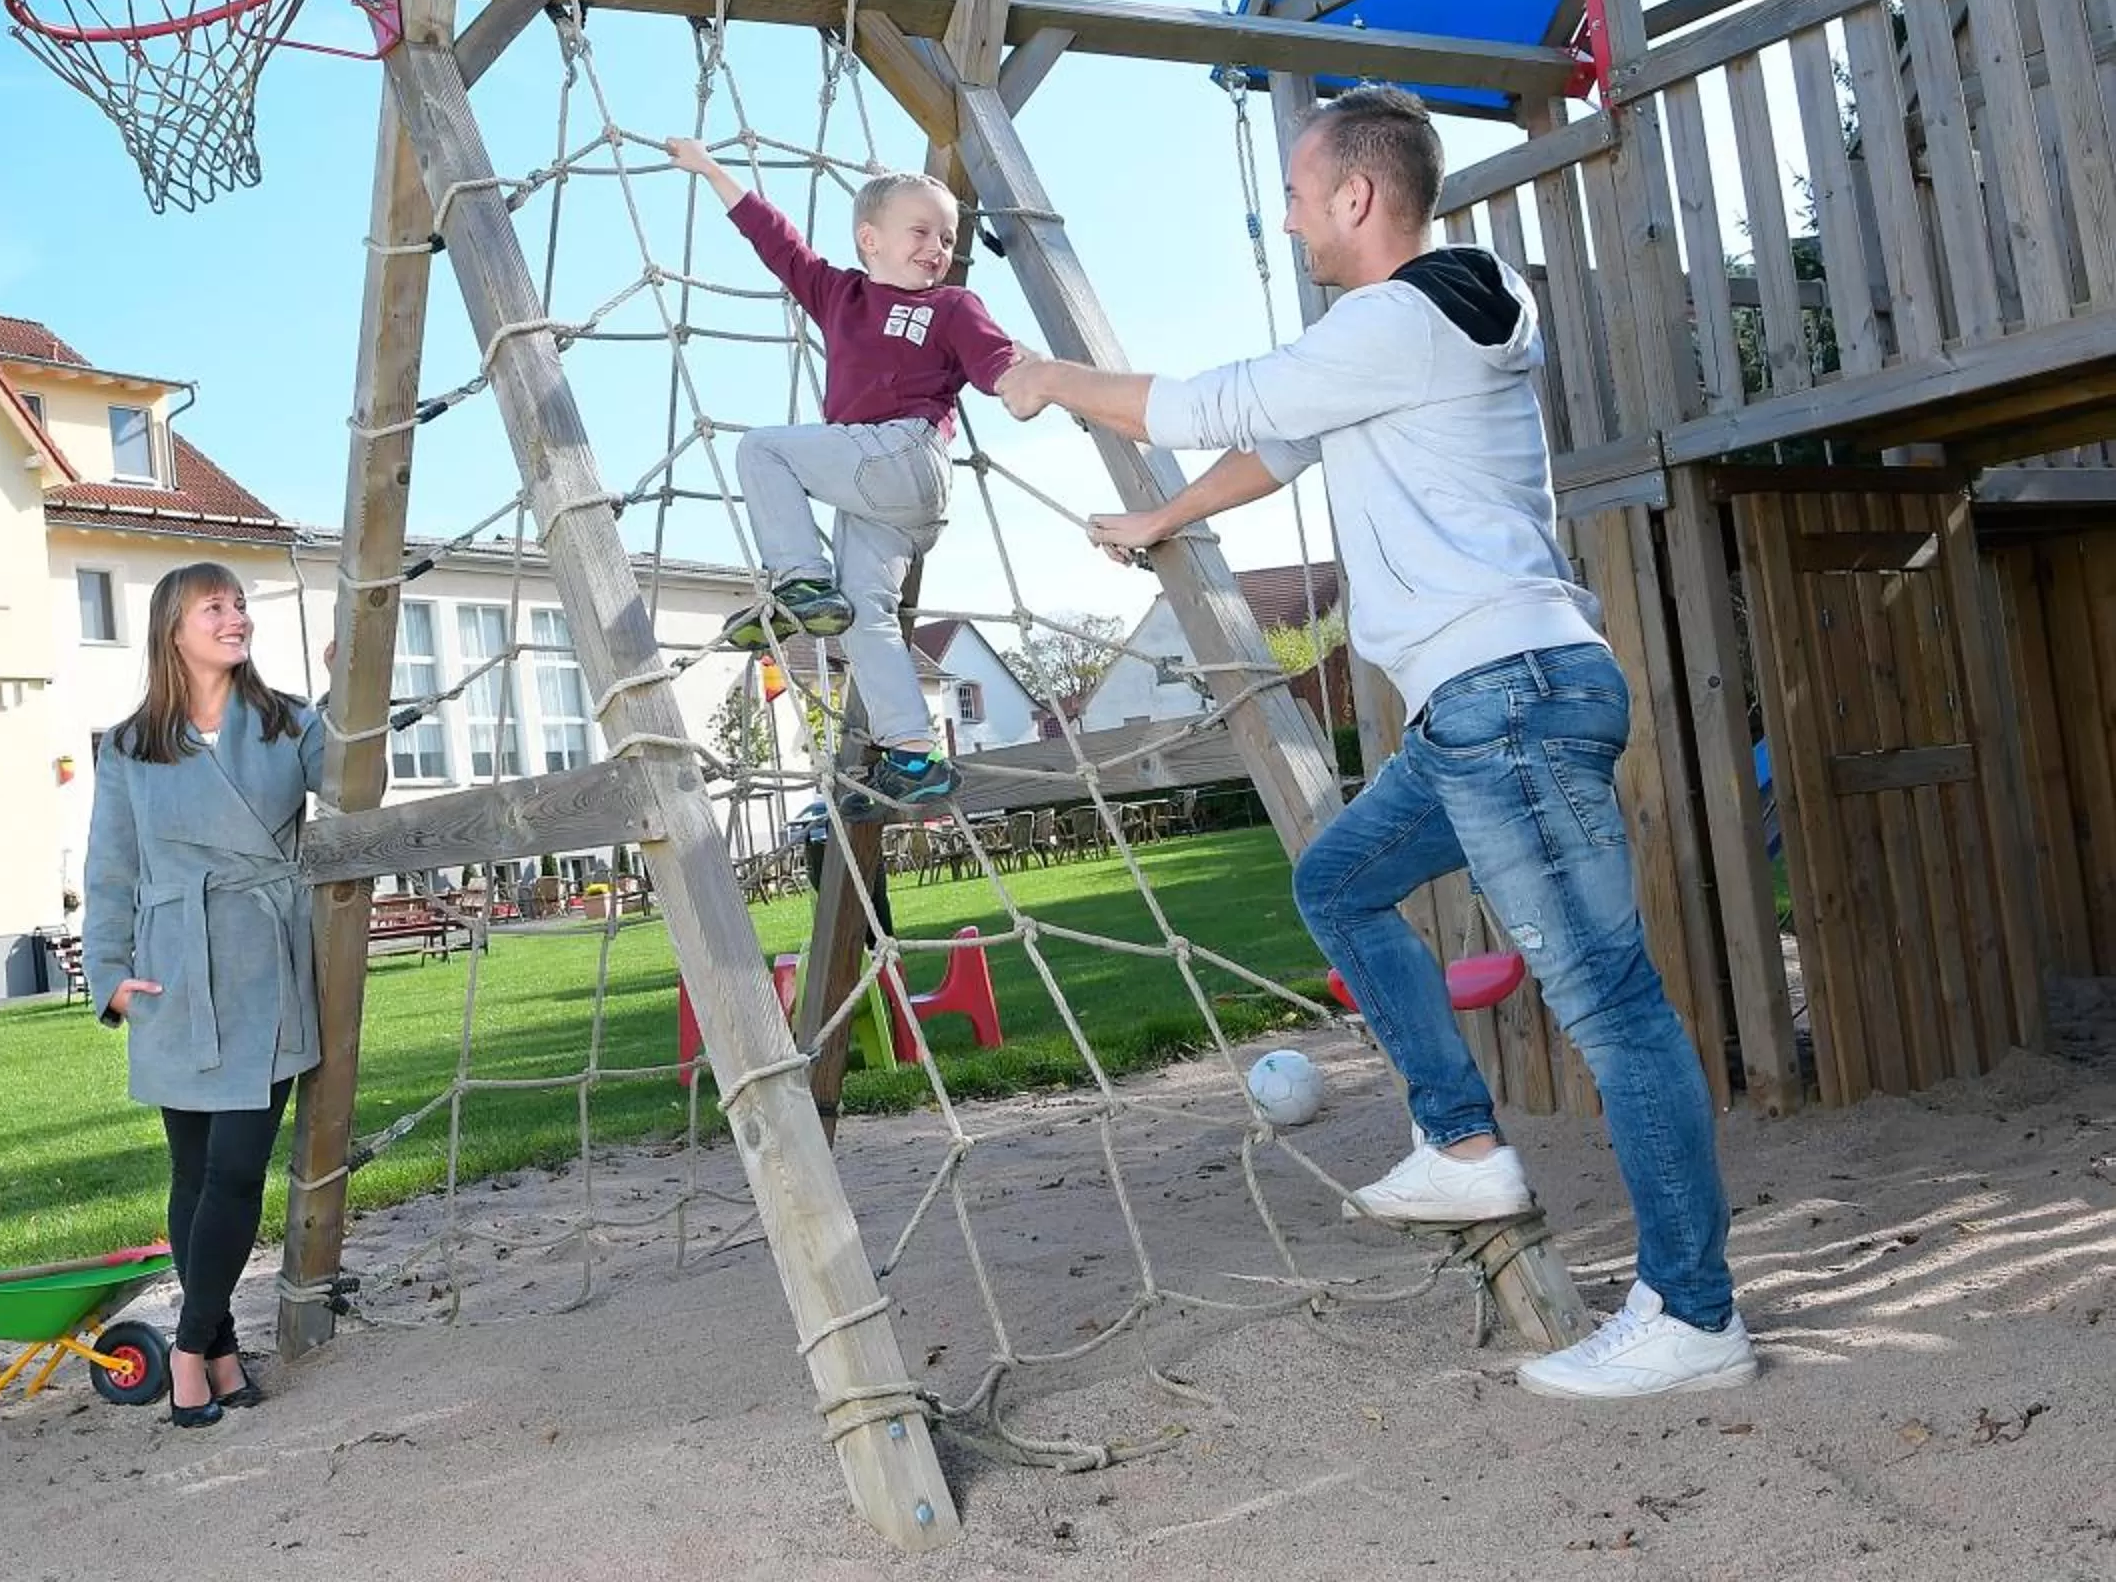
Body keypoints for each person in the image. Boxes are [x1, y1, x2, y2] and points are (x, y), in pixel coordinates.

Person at [996, 84, 1753, 1400]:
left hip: (1502, 696)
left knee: (1616, 1012)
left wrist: (1056, 379)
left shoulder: (1395, 319)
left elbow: (1215, 400)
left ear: (1356, 196)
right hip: (1491, 703)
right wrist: (1161, 521)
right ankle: (1461, 1145)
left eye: (1296, 194)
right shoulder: (1449, 308)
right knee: (1338, 881)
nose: (1285, 219)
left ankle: (1693, 1314)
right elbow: (1276, 441)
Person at [664, 137, 1023, 817]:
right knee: (864, 615)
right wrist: (713, 172)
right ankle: (914, 754)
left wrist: (1030, 380)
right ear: (871, 239)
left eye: (946, 237)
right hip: (884, 500)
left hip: (903, 454)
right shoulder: (841, 295)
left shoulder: (950, 307)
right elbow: (780, 245)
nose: (936, 247)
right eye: (920, 231)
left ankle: (798, 580)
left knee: (762, 450)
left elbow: (996, 360)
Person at [84, 562, 329, 1427]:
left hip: (263, 958)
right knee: (190, 1171)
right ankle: (221, 1350)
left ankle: (187, 1347)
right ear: (173, 630)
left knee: (234, 1167)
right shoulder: (127, 747)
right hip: (172, 971)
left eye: (240, 605)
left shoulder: (290, 720)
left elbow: (353, 782)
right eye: (214, 607)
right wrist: (106, 976)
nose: (235, 619)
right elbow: (110, 869)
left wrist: (351, 696)